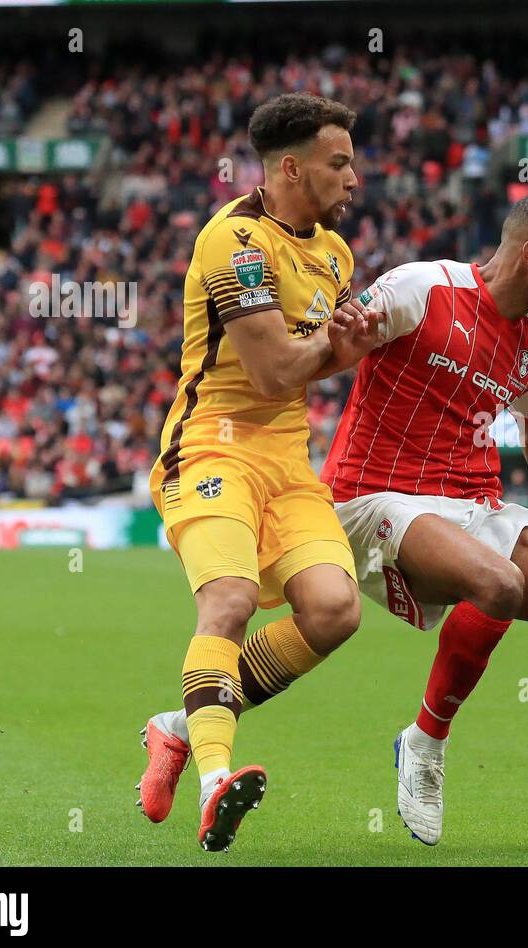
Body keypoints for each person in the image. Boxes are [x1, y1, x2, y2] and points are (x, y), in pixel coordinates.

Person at [320, 195, 528, 847]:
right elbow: (332, 348)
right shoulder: (423, 287)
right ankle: (423, 744)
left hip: (472, 505)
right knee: (498, 584)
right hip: (372, 496)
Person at [135, 93, 375, 852]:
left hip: (285, 463)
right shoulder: (234, 240)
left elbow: (318, 365)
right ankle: (214, 781)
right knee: (231, 599)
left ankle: (177, 726)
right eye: (339, 162)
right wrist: (342, 346)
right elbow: (275, 371)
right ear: (291, 168)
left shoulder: (335, 255)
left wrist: (349, 345)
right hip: (209, 448)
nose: (354, 178)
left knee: (335, 610)